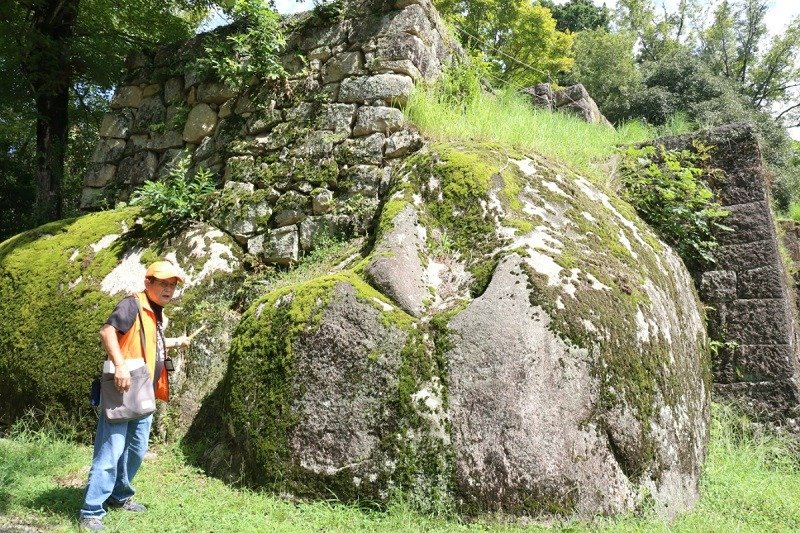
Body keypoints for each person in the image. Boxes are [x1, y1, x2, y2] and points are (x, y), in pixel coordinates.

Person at [79, 260, 190, 531]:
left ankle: (119, 496)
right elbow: (107, 332)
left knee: (136, 448)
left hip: (144, 392)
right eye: (163, 283)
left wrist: (176, 341)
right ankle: (91, 511)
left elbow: (148, 343)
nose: (168, 289)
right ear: (147, 282)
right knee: (111, 449)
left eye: (172, 285)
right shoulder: (132, 304)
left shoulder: (155, 311)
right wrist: (119, 366)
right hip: (123, 390)